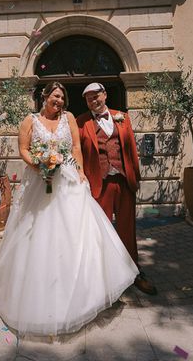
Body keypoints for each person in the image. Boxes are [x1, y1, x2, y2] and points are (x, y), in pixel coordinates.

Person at [0, 82, 138, 336]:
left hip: (68, 179)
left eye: (61, 98)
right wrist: (39, 164)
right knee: (38, 234)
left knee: (78, 233)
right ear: (45, 97)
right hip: (39, 180)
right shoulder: (30, 120)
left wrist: (79, 171)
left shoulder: (69, 118)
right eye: (54, 96)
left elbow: (76, 148)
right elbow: (23, 149)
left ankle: (86, 293)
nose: (58, 101)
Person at [76, 83, 157, 295]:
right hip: (98, 184)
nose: (93, 101)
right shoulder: (80, 122)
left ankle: (135, 272)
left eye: (96, 96)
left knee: (127, 230)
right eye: (88, 99)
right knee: (101, 232)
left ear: (105, 94)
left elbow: (131, 150)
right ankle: (103, 277)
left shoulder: (123, 117)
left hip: (123, 181)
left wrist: (135, 178)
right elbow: (78, 154)